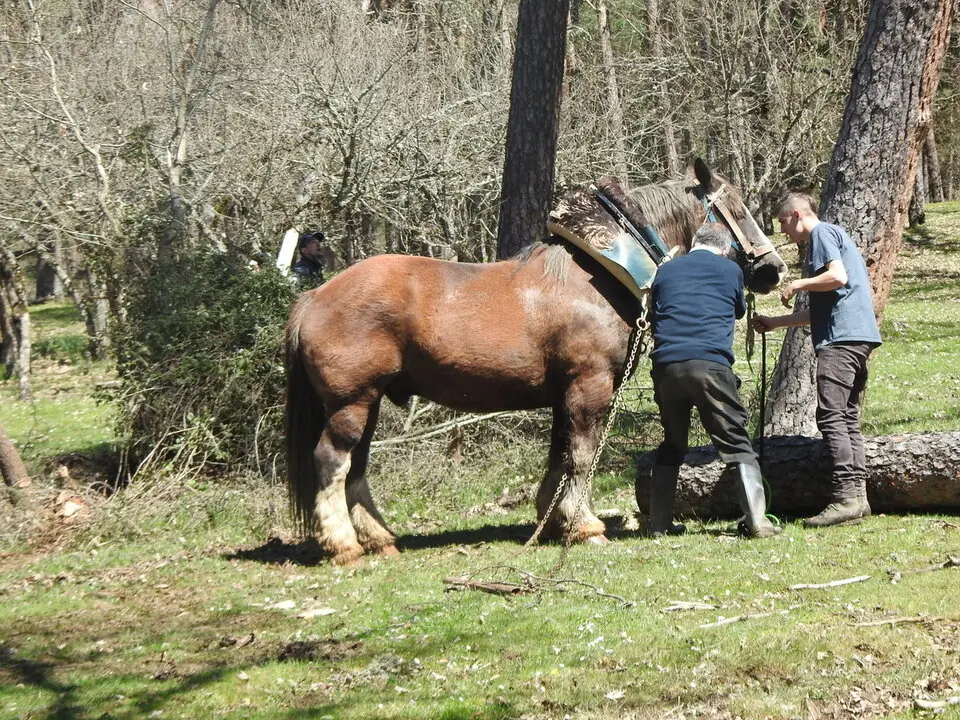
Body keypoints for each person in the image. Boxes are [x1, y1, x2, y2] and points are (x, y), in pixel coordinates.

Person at [753, 191, 881, 527]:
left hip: (841, 341)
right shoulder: (835, 236)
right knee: (846, 417)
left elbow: (837, 277)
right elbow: (824, 309)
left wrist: (798, 284)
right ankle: (858, 499)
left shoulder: (822, 234)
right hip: (856, 336)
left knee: (831, 416)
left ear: (796, 214)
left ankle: (845, 498)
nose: (783, 231)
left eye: (783, 222)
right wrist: (776, 322)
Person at [645, 222, 779, 539]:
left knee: (672, 444)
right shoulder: (730, 270)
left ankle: (658, 524)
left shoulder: (665, 270)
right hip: (710, 364)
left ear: (695, 242)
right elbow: (738, 310)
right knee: (735, 442)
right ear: (724, 249)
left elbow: (654, 312)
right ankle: (757, 521)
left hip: (667, 367)